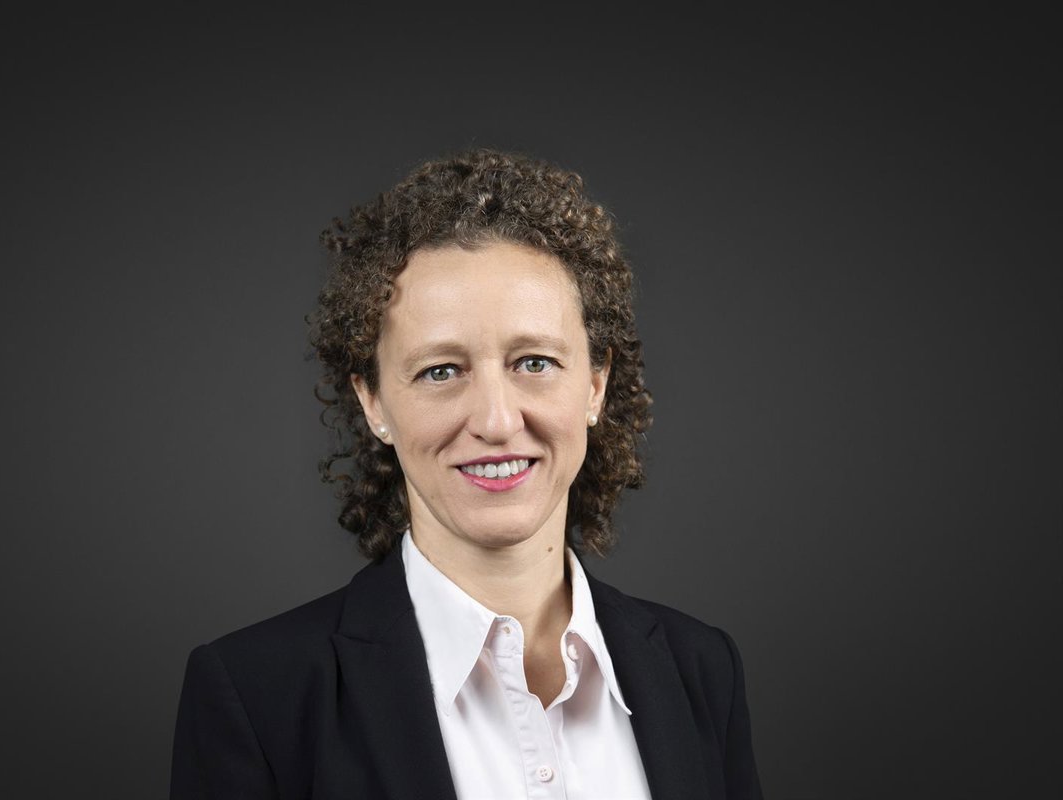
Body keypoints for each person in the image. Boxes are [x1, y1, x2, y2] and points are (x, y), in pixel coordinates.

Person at [169, 149, 764, 799]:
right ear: (373, 402)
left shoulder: (702, 670)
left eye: (534, 362)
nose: (496, 421)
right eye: (441, 371)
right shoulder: (256, 697)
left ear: (596, 383)